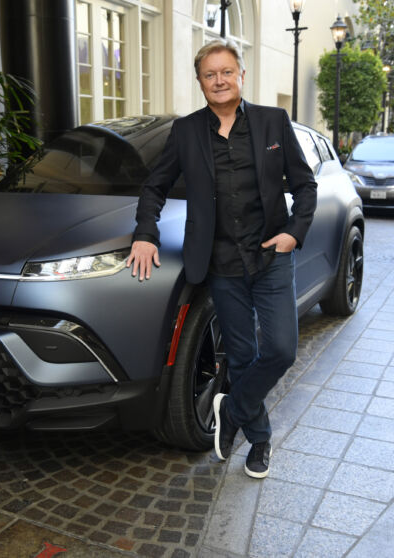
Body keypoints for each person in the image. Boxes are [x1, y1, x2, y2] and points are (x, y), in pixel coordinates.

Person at [125, 39, 317, 478]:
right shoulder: (187, 131)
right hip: (221, 264)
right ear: (200, 82)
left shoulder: (273, 123)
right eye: (210, 75)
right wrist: (145, 234)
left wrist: (293, 232)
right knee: (244, 356)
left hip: (270, 255)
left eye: (226, 72)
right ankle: (261, 438)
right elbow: (154, 187)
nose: (219, 81)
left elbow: (305, 186)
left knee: (282, 350)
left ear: (241, 76)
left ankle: (230, 410)